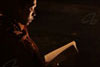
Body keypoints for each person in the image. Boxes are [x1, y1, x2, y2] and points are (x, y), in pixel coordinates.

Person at [0, 0, 45, 67]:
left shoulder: (16, 29)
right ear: (19, 9)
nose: (34, 13)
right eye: (31, 8)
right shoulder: (20, 43)